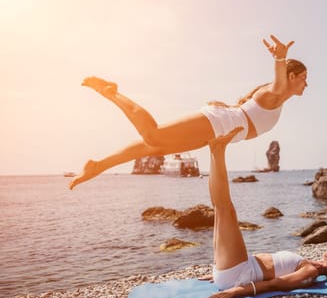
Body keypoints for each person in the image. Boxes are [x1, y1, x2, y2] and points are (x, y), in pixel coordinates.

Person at [69, 35, 308, 190]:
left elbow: (246, 112)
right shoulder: (275, 93)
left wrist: (226, 107)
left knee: (155, 146)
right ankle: (111, 92)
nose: (306, 84)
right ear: (291, 76)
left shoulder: (275, 98)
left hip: (218, 129)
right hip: (217, 124)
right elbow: (277, 86)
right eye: (303, 79)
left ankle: (99, 165)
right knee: (153, 135)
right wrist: (280, 58)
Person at [204, 127, 327, 298]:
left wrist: (234, 292)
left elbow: (275, 284)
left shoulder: (311, 272)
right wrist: (217, 274)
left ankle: (218, 149)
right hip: (234, 268)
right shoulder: (309, 264)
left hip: (238, 273)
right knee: (219, 208)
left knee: (225, 209)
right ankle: (215, 149)